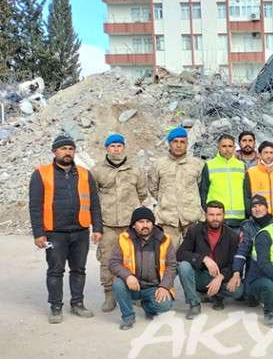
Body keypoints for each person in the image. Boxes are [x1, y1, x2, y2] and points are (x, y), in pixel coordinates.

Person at [29, 134, 103, 323]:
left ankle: (77, 303)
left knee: (79, 270)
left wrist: (97, 228)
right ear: (54, 151)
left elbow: (94, 203)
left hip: (80, 231)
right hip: (55, 233)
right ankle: (56, 307)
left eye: (71, 149)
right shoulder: (41, 173)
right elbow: (35, 206)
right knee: (55, 271)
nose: (67, 152)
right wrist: (39, 233)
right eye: (63, 149)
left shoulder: (85, 174)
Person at [91, 133, 148, 313]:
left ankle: (136, 292)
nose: (116, 149)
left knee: (136, 258)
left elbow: (142, 193)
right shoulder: (97, 170)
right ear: (107, 148)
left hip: (130, 224)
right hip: (107, 224)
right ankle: (110, 295)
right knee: (107, 259)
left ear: (124, 147)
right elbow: (93, 197)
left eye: (119, 146)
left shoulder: (135, 169)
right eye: (112, 146)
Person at [108, 207, 175, 330]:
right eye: (141, 222)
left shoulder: (164, 240)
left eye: (148, 222)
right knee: (118, 283)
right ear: (133, 225)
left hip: (154, 286)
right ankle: (128, 317)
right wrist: (128, 276)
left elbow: (172, 265)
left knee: (165, 305)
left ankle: (147, 306)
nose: (145, 225)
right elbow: (113, 262)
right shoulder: (124, 239)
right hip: (133, 285)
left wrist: (164, 286)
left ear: (153, 224)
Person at [176, 200, 241, 319]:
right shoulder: (194, 231)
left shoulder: (232, 236)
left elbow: (232, 263)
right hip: (200, 274)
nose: (215, 218)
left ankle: (216, 296)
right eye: (211, 214)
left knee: (239, 291)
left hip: (219, 275)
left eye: (218, 214)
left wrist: (221, 277)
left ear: (223, 215)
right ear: (205, 215)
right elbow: (180, 254)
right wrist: (203, 259)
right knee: (183, 266)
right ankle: (194, 303)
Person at [149, 127, 204, 249]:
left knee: (194, 254)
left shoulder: (197, 164)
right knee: (167, 254)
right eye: (175, 141)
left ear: (187, 144)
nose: (178, 145)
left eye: (182, 142)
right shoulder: (159, 165)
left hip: (191, 218)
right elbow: (153, 188)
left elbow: (201, 187)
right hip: (167, 219)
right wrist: (166, 201)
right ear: (169, 143)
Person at [199, 133, 247, 227]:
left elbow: (246, 191)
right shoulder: (209, 165)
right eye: (224, 146)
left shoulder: (241, 165)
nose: (227, 149)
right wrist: (207, 211)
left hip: (240, 218)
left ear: (234, 148)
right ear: (218, 148)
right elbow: (203, 192)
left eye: (230, 146)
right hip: (216, 218)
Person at [231, 194, 273, 297]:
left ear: (266, 208)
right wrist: (236, 272)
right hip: (254, 265)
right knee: (247, 295)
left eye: (260, 205)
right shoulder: (247, 226)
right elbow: (242, 250)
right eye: (254, 206)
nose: (257, 209)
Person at [244, 141, 273, 217]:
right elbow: (247, 196)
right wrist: (250, 213)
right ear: (259, 154)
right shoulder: (251, 172)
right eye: (266, 152)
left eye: (271, 153)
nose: (269, 156)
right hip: (259, 216)